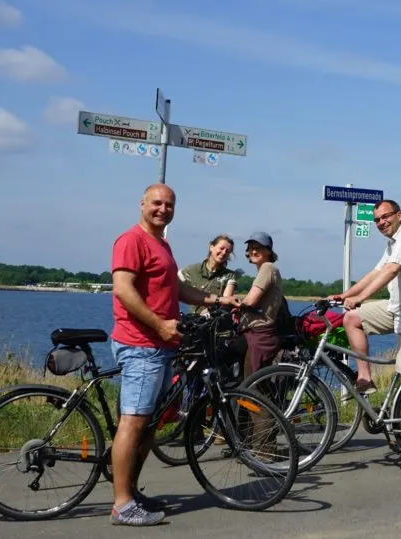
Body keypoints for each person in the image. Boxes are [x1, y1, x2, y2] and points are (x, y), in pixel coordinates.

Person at [109, 184, 237, 526]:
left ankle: (131, 492)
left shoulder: (161, 244)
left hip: (162, 347)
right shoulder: (131, 240)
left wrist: (215, 300)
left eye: (169, 204)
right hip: (141, 344)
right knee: (133, 422)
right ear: (142, 204)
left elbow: (176, 289)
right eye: (156, 203)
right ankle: (122, 505)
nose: (162, 209)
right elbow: (122, 289)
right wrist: (159, 325)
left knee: (148, 424)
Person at [331, 200, 401, 476]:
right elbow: (376, 272)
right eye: (377, 220)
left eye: (385, 217)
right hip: (399, 311)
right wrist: (347, 296)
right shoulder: (392, 243)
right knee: (352, 318)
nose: (381, 222)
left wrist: (360, 297)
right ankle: (365, 377)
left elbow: (392, 271)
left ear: (399, 215)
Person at [235, 232, 284, 378]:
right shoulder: (266, 270)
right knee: (258, 384)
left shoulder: (267, 268)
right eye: (251, 248)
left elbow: (250, 301)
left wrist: (232, 304)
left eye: (258, 248)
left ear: (269, 251)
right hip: (259, 332)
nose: (254, 251)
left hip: (260, 334)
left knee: (252, 385)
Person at [178, 234, 237, 315]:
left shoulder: (229, 276)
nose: (223, 252)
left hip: (213, 322)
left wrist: (210, 311)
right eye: (221, 248)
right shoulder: (189, 271)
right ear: (211, 247)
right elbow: (173, 290)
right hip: (188, 320)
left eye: (227, 251)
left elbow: (226, 301)